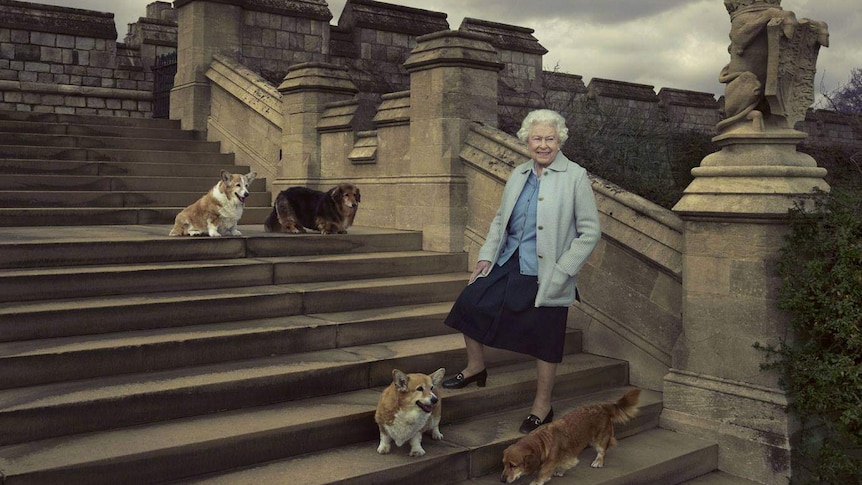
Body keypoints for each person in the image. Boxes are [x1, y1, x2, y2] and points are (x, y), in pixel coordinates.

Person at [442, 109, 601, 434]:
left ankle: (542, 406)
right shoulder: (518, 175)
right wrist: (486, 256)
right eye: (537, 139)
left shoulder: (575, 176)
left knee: (546, 336)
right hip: (509, 260)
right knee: (469, 303)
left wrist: (564, 270)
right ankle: (475, 367)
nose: (543, 145)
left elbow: (590, 231)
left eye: (550, 139)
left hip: (549, 271)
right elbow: (501, 219)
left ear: (560, 141)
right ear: (527, 140)